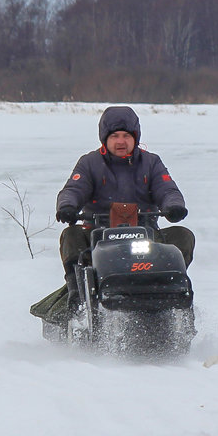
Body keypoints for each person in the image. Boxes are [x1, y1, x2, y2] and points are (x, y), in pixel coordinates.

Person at [54, 105, 194, 310]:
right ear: (105, 138)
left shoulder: (151, 162)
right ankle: (77, 292)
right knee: (71, 236)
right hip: (98, 233)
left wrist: (174, 206)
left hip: (146, 232)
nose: (121, 141)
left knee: (183, 235)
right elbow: (74, 188)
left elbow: (167, 189)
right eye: (115, 136)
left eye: (126, 135)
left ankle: (173, 286)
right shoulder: (89, 163)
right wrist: (67, 206)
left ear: (135, 137)